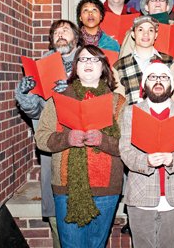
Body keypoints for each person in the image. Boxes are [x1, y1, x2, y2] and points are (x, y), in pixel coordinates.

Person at [35, 45, 125, 248]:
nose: (89, 64)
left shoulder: (118, 103)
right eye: (83, 59)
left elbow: (128, 146)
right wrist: (66, 139)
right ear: (75, 67)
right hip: (67, 189)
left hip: (106, 190)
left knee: (96, 245)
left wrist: (103, 140)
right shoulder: (58, 100)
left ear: (103, 67)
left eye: (94, 60)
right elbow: (41, 138)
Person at [119, 62, 174, 248]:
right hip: (141, 194)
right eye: (152, 77)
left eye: (163, 77)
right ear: (144, 84)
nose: (158, 81)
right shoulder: (132, 112)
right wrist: (145, 160)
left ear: (171, 84)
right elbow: (124, 149)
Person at [15, 19, 80, 248]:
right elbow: (35, 111)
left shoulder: (89, 60)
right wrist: (25, 96)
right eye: (56, 33)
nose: (61, 35)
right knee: (57, 216)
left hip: (83, 146)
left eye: (66, 31)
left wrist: (73, 91)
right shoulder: (43, 65)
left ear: (76, 37)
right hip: (52, 145)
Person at [113, 16, 174, 105]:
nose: (146, 34)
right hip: (131, 116)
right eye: (140, 30)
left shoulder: (170, 62)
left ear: (156, 35)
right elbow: (119, 103)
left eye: (151, 30)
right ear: (133, 34)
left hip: (164, 115)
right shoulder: (119, 66)